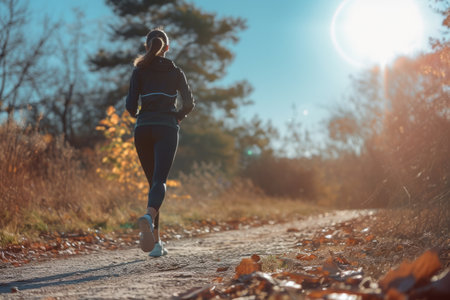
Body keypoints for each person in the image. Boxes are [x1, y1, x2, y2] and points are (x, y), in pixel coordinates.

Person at [125, 28, 195, 257]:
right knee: (159, 182)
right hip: (166, 128)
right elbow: (189, 103)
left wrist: (143, 117)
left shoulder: (139, 71)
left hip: (143, 129)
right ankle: (149, 221)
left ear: (148, 47)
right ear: (167, 48)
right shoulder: (176, 72)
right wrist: (177, 116)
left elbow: (130, 107)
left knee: (153, 184)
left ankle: (156, 243)